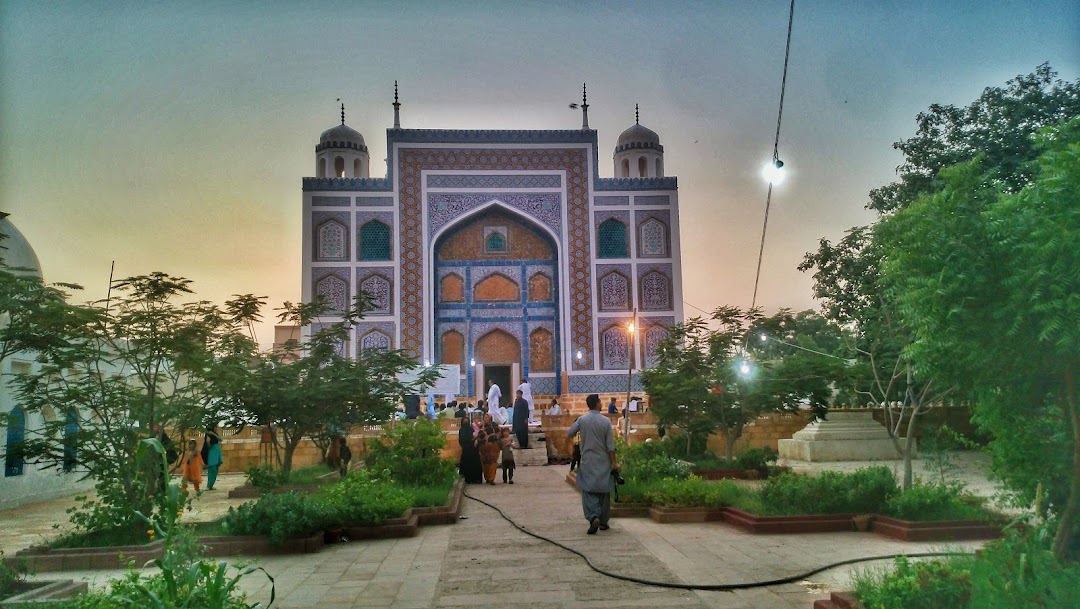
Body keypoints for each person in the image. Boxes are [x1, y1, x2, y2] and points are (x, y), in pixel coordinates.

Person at [567, 394, 619, 535]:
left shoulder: (583, 420)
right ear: (597, 404)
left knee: (589, 490)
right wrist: (614, 463)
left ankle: (593, 516)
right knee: (604, 490)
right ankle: (603, 521)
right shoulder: (606, 422)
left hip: (587, 460)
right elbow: (610, 446)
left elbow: (569, 432)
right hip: (603, 461)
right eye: (600, 401)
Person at [477, 413, 501, 485]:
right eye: (484, 417)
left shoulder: (495, 426)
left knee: (493, 462)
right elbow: (479, 436)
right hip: (484, 448)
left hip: (493, 447)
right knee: (485, 463)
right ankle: (487, 478)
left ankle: (491, 478)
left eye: (487, 417)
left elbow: (499, 434)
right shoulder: (482, 426)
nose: (485, 419)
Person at [458, 414, 483, 483]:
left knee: (475, 465)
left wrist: (476, 440)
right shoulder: (462, 431)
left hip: (473, 450)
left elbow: (476, 437)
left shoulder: (471, 429)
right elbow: (462, 441)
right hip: (467, 451)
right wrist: (471, 441)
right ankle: (469, 479)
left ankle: (476, 479)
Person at [201, 426, 223, 490]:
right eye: (215, 426)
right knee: (211, 469)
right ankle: (208, 485)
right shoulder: (207, 435)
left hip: (217, 451)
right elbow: (208, 443)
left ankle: (211, 485)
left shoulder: (214, 434)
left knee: (215, 469)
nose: (216, 428)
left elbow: (220, 439)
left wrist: (213, 434)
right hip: (212, 452)